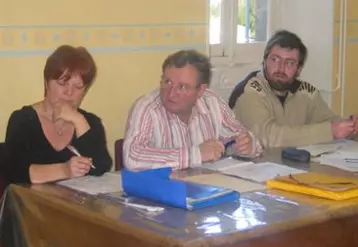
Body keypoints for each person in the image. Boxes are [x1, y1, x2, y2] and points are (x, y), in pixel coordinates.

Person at [123, 50, 262, 171]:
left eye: (182, 87)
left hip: (207, 189)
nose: (171, 93)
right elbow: (132, 157)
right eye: (167, 82)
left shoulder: (212, 102)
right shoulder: (146, 107)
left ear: (201, 90)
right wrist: (195, 155)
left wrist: (247, 145)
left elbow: (238, 137)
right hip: (163, 194)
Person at [232, 30, 358, 148]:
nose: (281, 68)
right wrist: (330, 131)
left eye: (290, 63)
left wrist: (350, 126)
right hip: (250, 167)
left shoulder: (306, 92)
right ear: (264, 61)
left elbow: (327, 121)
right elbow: (268, 137)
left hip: (290, 166)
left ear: (299, 69)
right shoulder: (249, 90)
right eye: (275, 60)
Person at [5, 45, 112, 184]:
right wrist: (65, 170)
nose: (69, 92)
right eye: (62, 83)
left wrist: (78, 120)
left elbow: (101, 167)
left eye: (78, 87)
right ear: (47, 83)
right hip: (31, 204)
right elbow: (16, 173)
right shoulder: (23, 120)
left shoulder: (90, 122)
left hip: (73, 204)